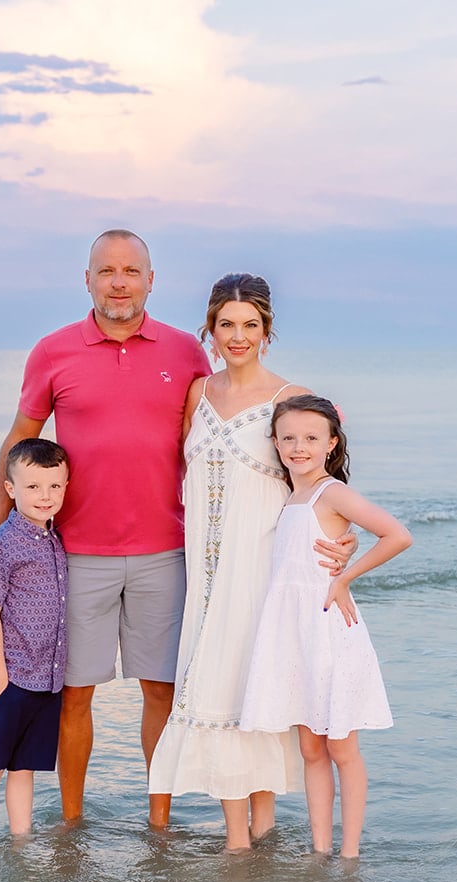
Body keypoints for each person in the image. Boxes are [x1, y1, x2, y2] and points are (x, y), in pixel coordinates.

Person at [0, 230, 210, 826]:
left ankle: (159, 822)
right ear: (87, 279)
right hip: (75, 555)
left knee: (161, 691)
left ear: (150, 279)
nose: (119, 282)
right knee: (76, 695)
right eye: (107, 270)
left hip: (166, 551)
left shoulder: (186, 352)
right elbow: (19, 443)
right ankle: (71, 823)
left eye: (131, 271)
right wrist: (1, 545)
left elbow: (221, 437)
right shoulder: (53, 351)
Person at [147, 273, 309, 851]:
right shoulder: (198, 393)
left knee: (249, 690)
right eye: (226, 325)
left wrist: (338, 548)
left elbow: (318, 484)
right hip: (206, 576)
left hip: (260, 572)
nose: (237, 337)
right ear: (210, 330)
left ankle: (248, 840)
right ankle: (249, 838)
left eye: (250, 325)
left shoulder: (288, 398)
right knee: (218, 687)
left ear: (267, 331)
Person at [239, 395, 413, 858]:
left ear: (331, 444)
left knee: (341, 748)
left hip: (329, 631)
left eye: (312, 438)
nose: (299, 447)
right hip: (293, 634)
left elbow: (397, 534)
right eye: (289, 437)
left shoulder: (330, 492)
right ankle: (320, 850)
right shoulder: (288, 492)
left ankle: (350, 852)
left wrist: (346, 577)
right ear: (274, 443)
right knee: (311, 750)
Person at [0, 438, 71, 846]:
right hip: (9, 678)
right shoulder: (0, 544)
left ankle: (19, 839)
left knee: (25, 767)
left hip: (45, 680)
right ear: (11, 488)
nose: (45, 497)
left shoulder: (54, 538)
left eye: (54, 486)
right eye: (33, 487)